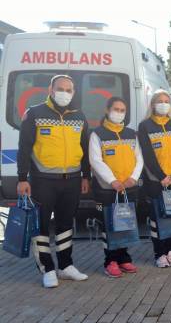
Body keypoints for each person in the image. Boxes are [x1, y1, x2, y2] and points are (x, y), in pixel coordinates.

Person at [17, 74, 90, 288]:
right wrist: (22, 178)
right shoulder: (34, 113)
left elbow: (84, 149)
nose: (64, 93)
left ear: (74, 92)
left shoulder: (79, 116)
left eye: (69, 90)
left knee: (65, 224)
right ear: (50, 89)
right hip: (42, 180)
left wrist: (86, 176)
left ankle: (66, 266)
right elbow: (24, 148)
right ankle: (47, 269)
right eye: (60, 88)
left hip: (72, 180)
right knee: (40, 226)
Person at [89, 97, 143, 277]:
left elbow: (139, 159)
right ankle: (110, 261)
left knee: (124, 222)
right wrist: (112, 180)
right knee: (109, 225)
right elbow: (96, 160)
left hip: (128, 187)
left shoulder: (131, 133)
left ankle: (123, 258)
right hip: (107, 189)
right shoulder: (97, 134)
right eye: (116, 109)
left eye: (122, 110)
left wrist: (133, 178)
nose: (119, 113)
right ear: (107, 110)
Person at [138, 90, 171, 268]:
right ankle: (159, 253)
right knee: (156, 217)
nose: (164, 104)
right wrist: (162, 177)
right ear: (152, 104)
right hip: (155, 181)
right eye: (160, 101)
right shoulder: (145, 126)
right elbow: (147, 155)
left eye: (167, 101)